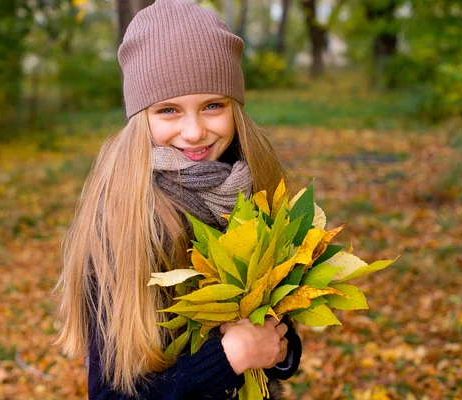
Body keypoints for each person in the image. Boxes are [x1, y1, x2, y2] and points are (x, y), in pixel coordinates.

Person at [55, 0, 302, 398]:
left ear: (235, 107)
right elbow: (112, 394)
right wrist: (228, 360)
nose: (193, 131)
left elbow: (283, 330)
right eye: (168, 110)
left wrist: (278, 349)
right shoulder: (126, 220)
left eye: (212, 106)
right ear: (140, 117)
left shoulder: (256, 187)